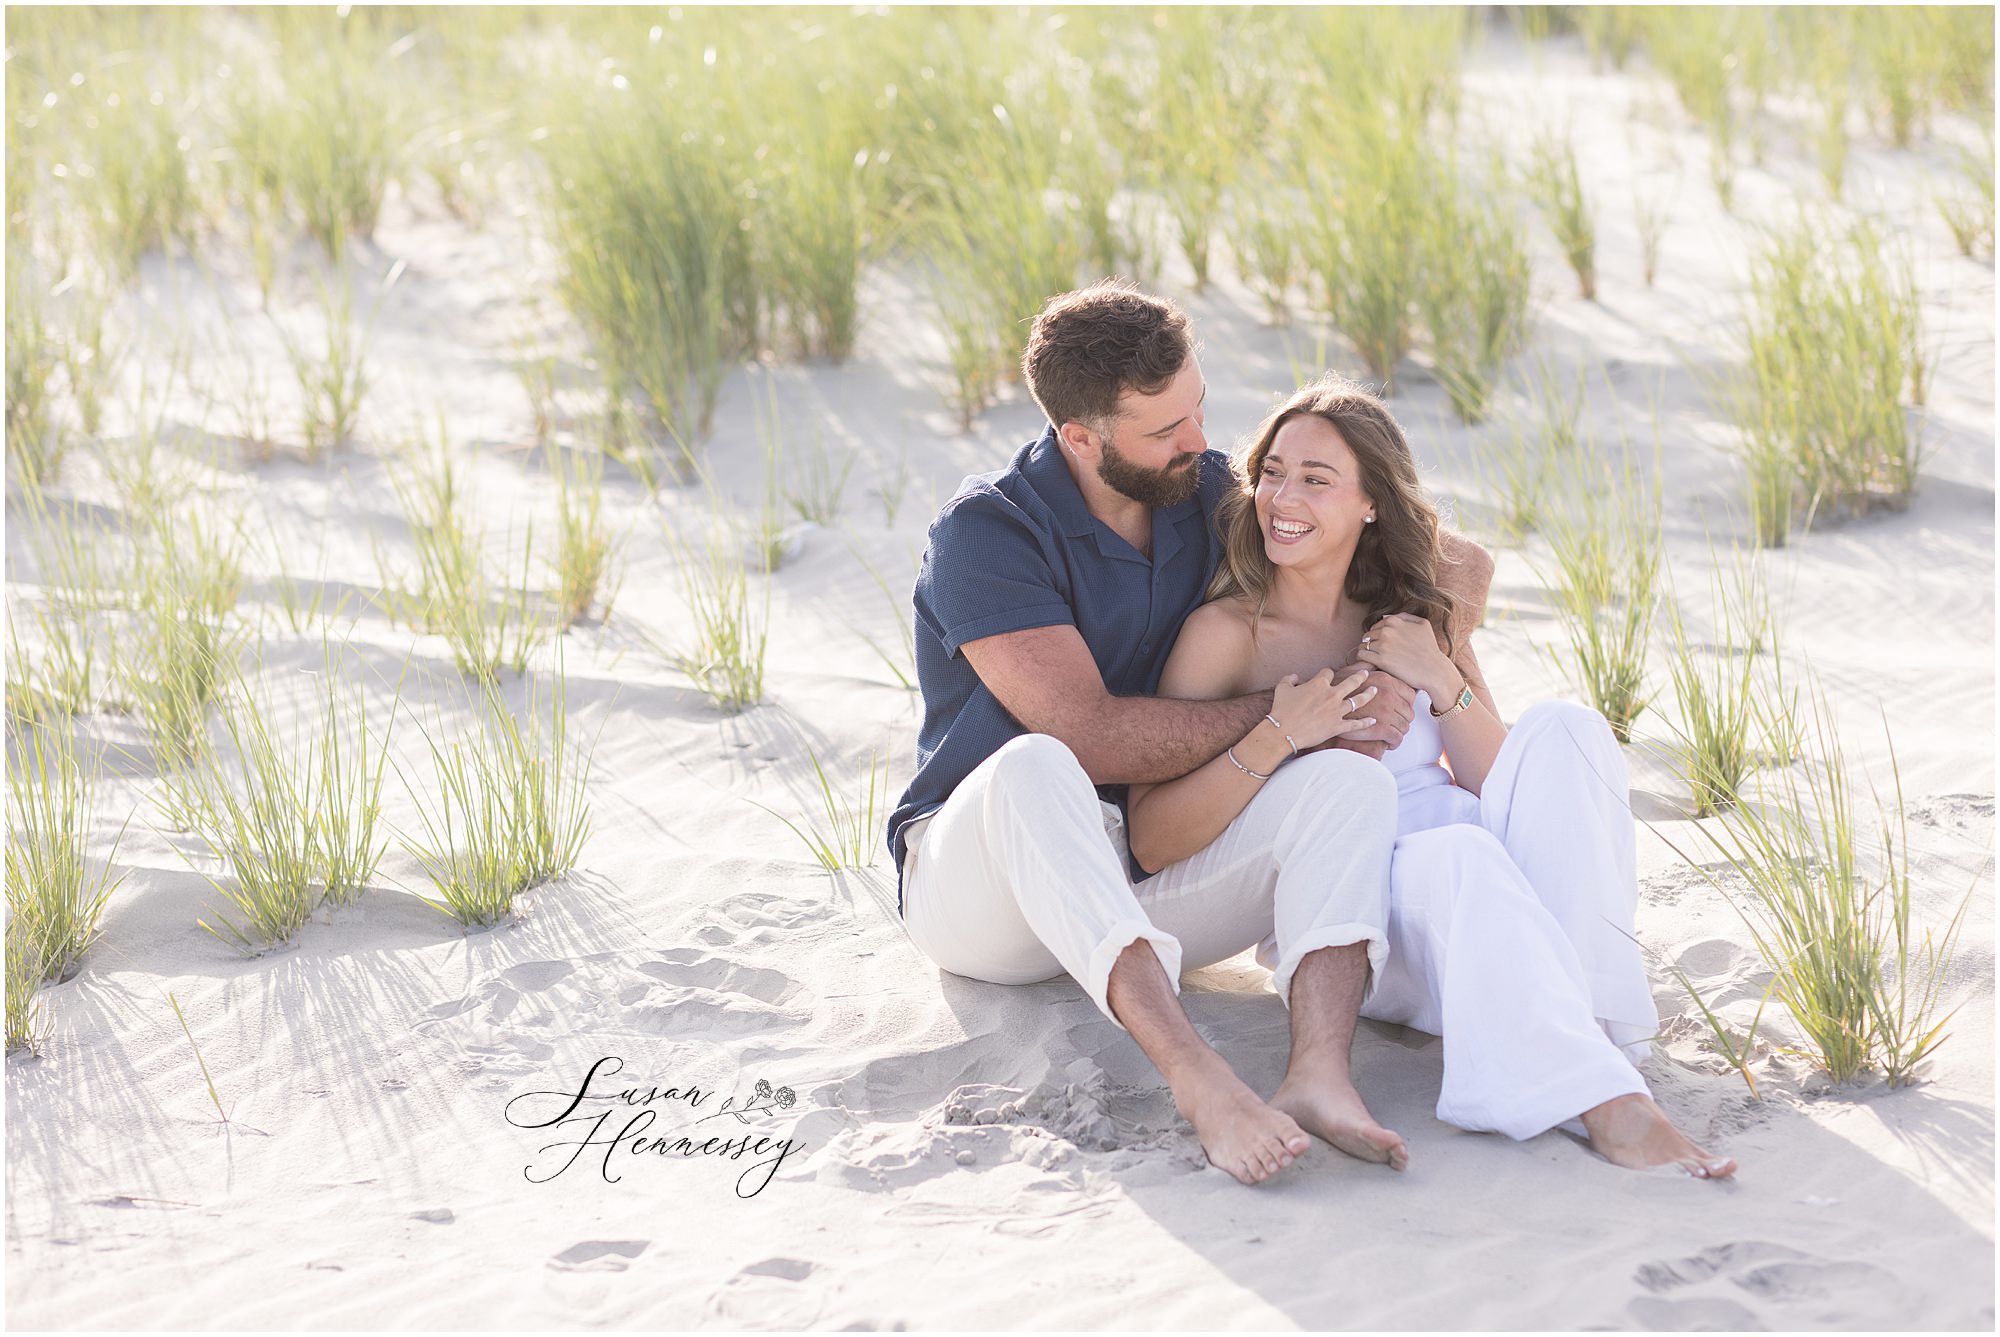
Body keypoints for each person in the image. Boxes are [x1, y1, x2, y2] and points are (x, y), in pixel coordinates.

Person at [886, 281, 1494, 1185]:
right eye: (1167, 428)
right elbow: (1091, 738)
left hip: (1145, 872)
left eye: (1199, 408)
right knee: (1036, 765)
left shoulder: (1198, 489)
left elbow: (1457, 560)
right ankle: (1200, 1079)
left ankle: (1318, 1074)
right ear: (1080, 438)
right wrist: (1292, 714)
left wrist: (1392, 670)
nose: (1200, 441)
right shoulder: (987, 534)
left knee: (1347, 782)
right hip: (989, 896)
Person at [1125, 374, 1738, 1179]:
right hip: (1370, 902)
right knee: (1461, 854)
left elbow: (1490, 778)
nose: (1283, 498)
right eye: (1272, 472)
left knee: (1572, 729)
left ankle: (1584, 1031)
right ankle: (1608, 1099)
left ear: (1371, 504)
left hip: (1475, 867)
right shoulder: (1229, 634)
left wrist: (1438, 673)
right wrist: (1284, 734)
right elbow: (1154, 835)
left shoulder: (1407, 611)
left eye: (1316, 479)